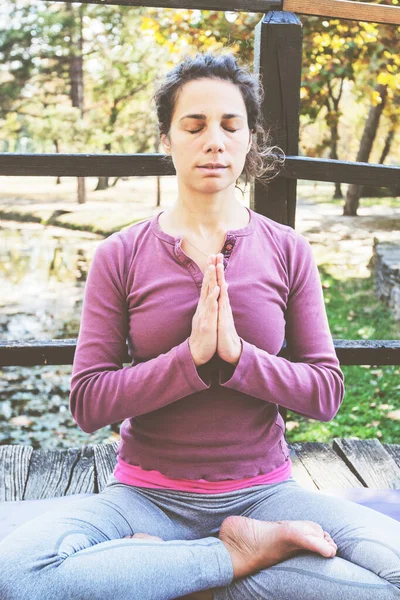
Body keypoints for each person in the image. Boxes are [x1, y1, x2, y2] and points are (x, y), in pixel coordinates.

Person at [1, 50, 399, 600]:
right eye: (195, 125)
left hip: (267, 498)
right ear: (167, 138)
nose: (214, 140)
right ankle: (230, 557)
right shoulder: (119, 253)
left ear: (249, 139)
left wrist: (239, 358)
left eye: (230, 126)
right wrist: (187, 361)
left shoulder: (288, 250)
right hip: (145, 497)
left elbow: (327, 394)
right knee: (18, 575)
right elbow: (89, 403)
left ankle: (164, 573)